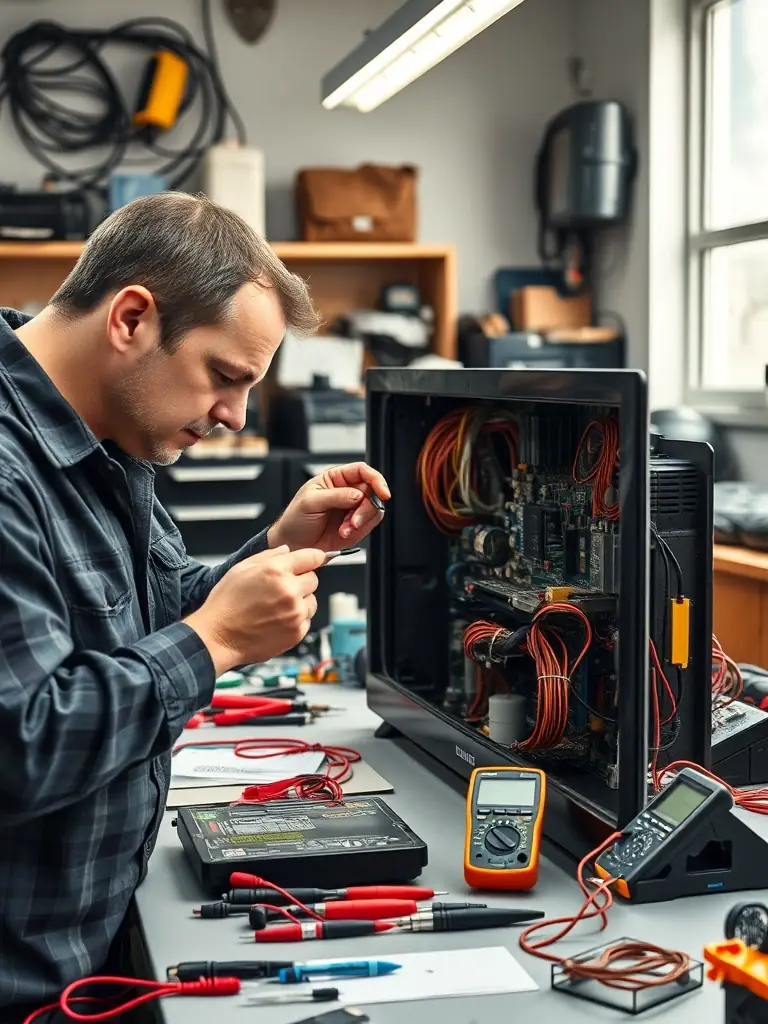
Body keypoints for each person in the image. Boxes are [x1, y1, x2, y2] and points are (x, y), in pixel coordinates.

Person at [0, 191, 389, 1020]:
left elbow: (152, 612)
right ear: (132, 318)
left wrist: (278, 550)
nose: (236, 416)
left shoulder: (112, 429)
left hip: (91, 944)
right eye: (224, 376)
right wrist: (213, 640)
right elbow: (20, 746)